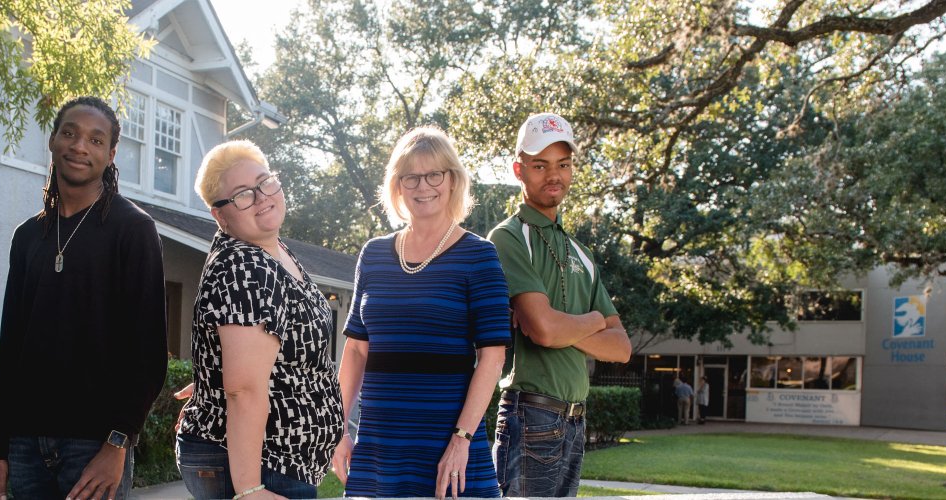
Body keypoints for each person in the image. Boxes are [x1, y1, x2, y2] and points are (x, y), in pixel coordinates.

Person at [0, 96, 168, 500]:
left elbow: (148, 355)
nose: (80, 146)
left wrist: (117, 444)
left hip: (94, 446)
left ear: (111, 154)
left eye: (95, 140)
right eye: (70, 133)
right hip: (25, 446)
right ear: (52, 141)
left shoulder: (133, 230)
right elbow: (11, 351)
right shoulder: (28, 237)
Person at [333, 127, 509, 499]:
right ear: (397, 185)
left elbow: (492, 356)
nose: (422, 185)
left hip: (450, 449)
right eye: (410, 176)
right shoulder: (374, 255)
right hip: (380, 450)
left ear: (453, 180)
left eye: (434, 174)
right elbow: (356, 351)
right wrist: (338, 429)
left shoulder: (479, 256)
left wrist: (461, 440)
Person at [176, 140, 344, 500]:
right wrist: (250, 490)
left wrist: (213, 380)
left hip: (279, 460)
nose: (261, 196)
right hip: (262, 464)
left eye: (265, 182)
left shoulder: (274, 250)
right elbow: (244, 390)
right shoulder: (245, 265)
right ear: (219, 215)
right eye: (242, 195)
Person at [490, 112, 632, 498]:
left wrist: (564, 326)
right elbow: (544, 330)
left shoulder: (580, 253)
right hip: (530, 413)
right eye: (540, 165)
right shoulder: (508, 238)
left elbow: (621, 348)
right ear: (519, 169)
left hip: (574, 420)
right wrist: (592, 321)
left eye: (563, 164)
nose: (554, 175)